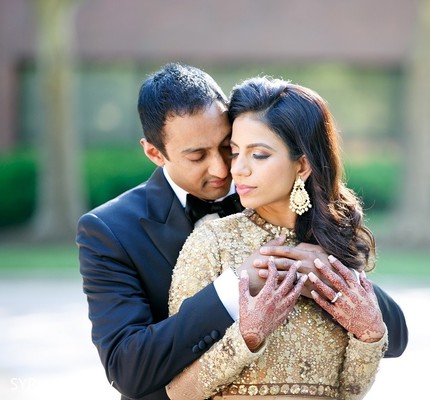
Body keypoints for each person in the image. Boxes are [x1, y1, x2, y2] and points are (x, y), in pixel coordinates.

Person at [76, 63, 408, 400]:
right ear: (154, 153)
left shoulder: (276, 197)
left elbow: (394, 337)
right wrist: (236, 287)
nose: (225, 169)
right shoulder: (110, 230)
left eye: (226, 147)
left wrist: (328, 273)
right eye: (197, 156)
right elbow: (128, 370)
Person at [166, 76, 390, 400]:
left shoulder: (336, 247)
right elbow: (178, 391)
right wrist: (248, 338)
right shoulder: (211, 243)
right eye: (235, 152)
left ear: (302, 165)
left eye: (258, 155)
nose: (238, 169)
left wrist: (370, 332)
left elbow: (349, 392)